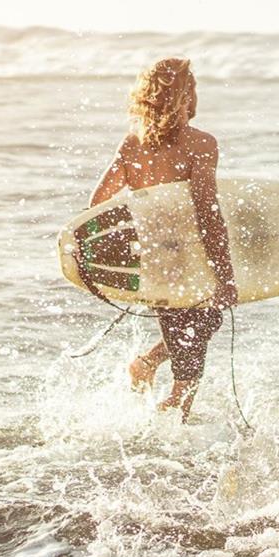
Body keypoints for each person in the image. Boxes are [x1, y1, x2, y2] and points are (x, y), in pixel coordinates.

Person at [89, 57, 237, 420]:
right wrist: (225, 274)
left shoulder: (133, 144)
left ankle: (147, 367)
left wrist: (119, 251)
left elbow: (97, 204)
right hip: (188, 257)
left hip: (154, 260)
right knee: (189, 352)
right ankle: (170, 427)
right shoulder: (200, 144)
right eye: (193, 89)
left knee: (202, 327)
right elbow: (208, 212)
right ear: (185, 95)